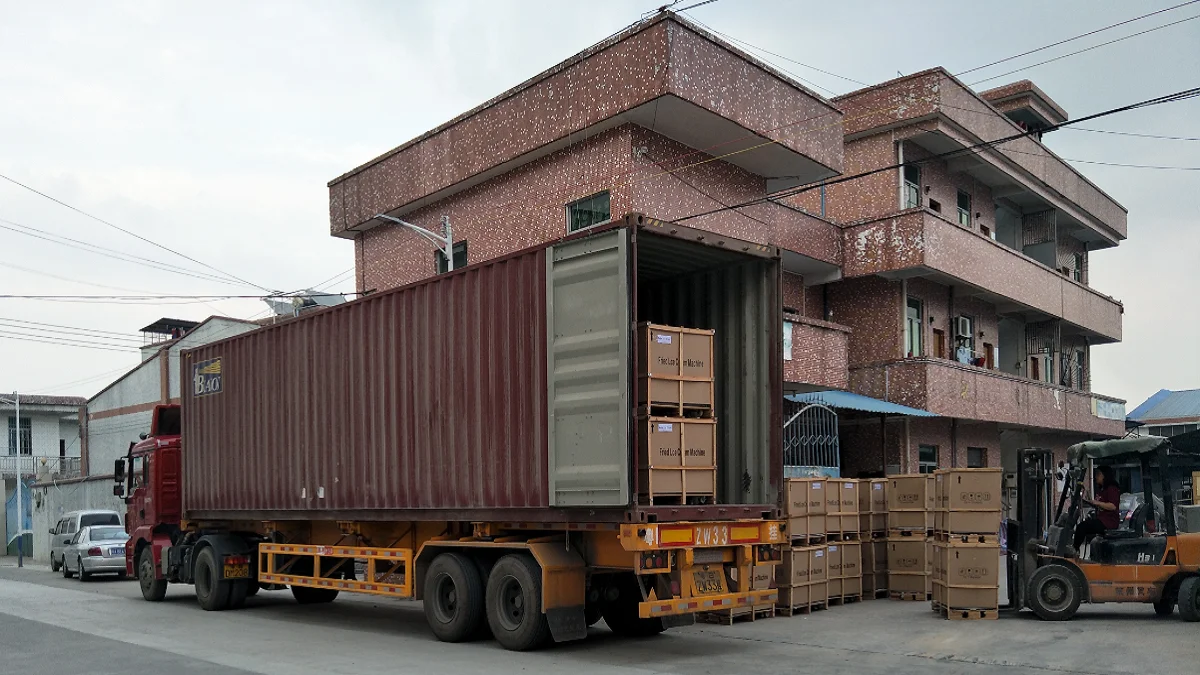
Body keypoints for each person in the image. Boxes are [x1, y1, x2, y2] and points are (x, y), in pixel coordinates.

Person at [1073, 465, 1121, 550]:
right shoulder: (1102, 489)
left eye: (1098, 474)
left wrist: (1098, 503)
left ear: (1105, 475)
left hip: (1108, 522)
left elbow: (1113, 506)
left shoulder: (1112, 488)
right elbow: (1100, 504)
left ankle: (1074, 550)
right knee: (1084, 528)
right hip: (1101, 519)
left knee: (1082, 527)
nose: (1096, 477)